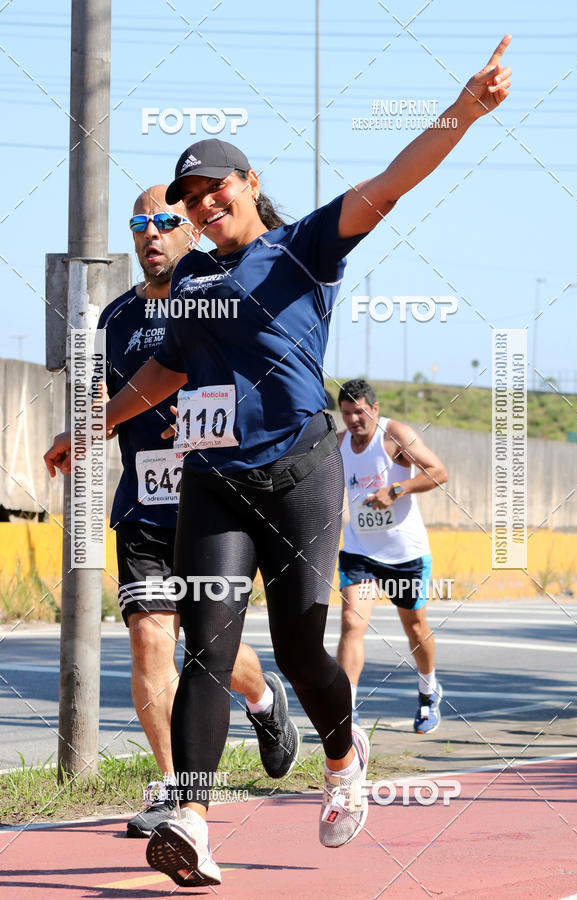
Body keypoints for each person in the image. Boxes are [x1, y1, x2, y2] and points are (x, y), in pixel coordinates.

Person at [45, 37, 511, 888]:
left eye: (213, 188)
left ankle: (342, 748)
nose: (200, 203)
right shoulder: (190, 286)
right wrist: (95, 425)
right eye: (186, 197)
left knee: (300, 652)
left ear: (248, 184)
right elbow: (169, 370)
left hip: (299, 476)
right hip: (215, 483)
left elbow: (393, 181)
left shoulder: (303, 249)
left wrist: (465, 110)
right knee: (204, 650)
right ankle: (190, 816)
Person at [98, 186, 299, 838]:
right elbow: (109, 395)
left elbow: (254, 381)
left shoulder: (215, 295)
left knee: (206, 646)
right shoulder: (115, 318)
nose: (150, 233)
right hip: (142, 506)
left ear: (188, 230)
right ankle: (171, 786)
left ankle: (264, 701)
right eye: (140, 224)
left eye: (163, 221)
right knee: (151, 636)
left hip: (208, 499)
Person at [335, 379, 448, 733]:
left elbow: (439, 472)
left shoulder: (393, 436)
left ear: (375, 408)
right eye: (347, 412)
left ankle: (429, 692)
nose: (355, 419)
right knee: (352, 623)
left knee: (414, 627)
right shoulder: (338, 444)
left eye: (360, 411)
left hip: (404, 554)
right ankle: (345, 712)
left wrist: (397, 489)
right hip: (360, 552)